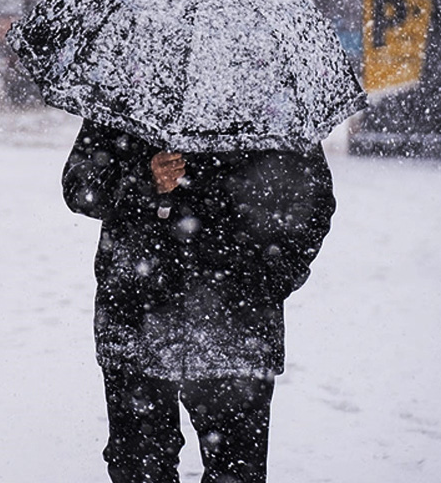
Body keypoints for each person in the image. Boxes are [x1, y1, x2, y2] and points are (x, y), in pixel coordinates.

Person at [62, 119, 336, 483]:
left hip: (236, 327)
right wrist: (144, 180)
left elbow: (313, 201)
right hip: (138, 317)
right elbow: (80, 186)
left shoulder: (269, 102)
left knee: (236, 472)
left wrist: (268, 280)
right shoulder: (128, 95)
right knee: (139, 467)